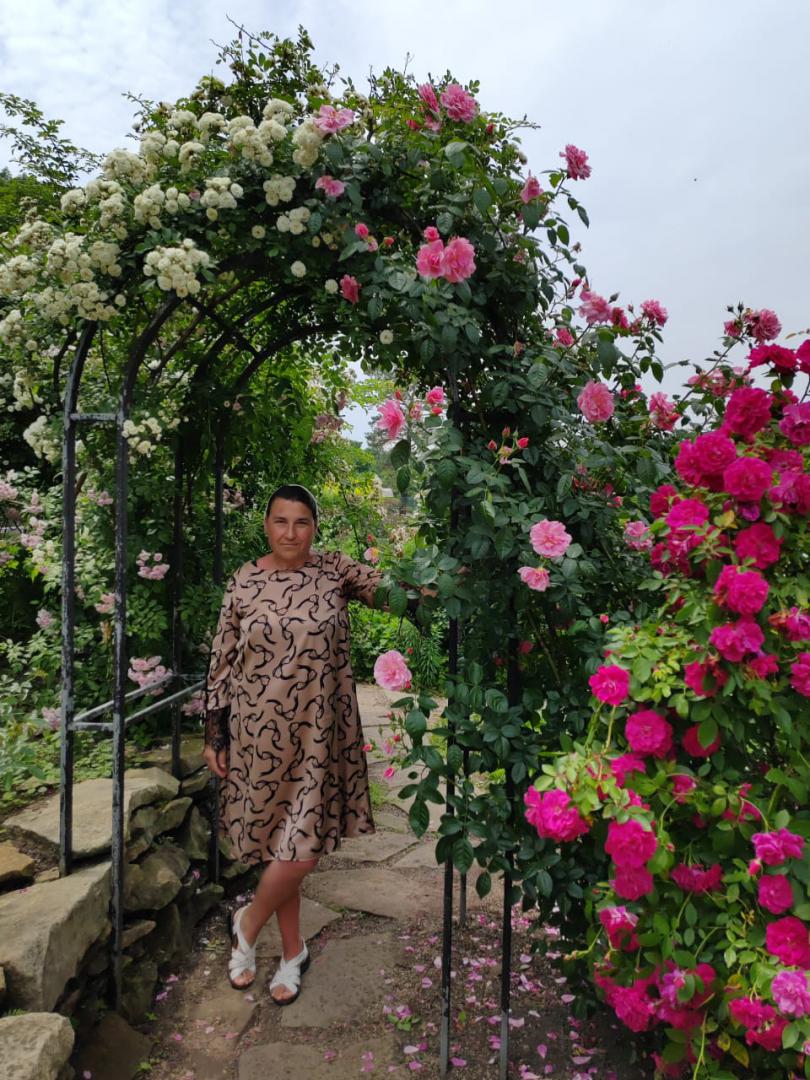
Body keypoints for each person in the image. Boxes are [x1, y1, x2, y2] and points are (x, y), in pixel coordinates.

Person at [202, 483, 421, 1005]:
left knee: (299, 848)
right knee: (281, 844)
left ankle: (247, 923)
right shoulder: (244, 580)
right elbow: (222, 659)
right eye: (281, 521)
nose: (290, 532)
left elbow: (394, 594)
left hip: (319, 735)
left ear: (315, 528)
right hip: (257, 734)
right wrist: (215, 731)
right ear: (266, 525)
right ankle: (292, 953)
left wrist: (439, 582)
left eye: (301, 522)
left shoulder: (334, 570)